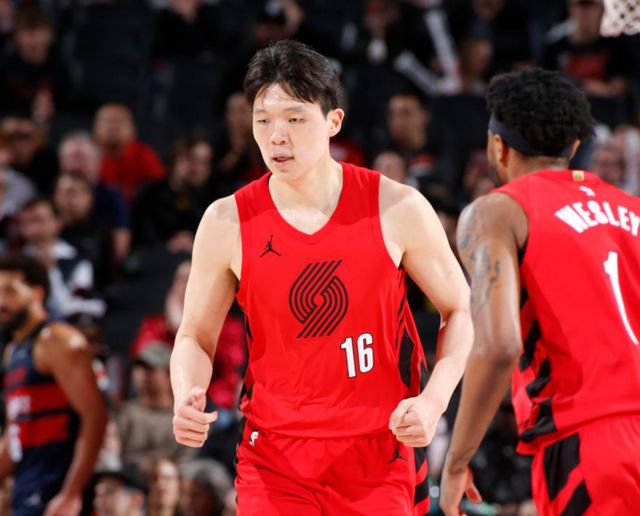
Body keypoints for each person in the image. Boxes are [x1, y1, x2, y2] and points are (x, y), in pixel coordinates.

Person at [170, 39, 472, 515]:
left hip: (377, 450)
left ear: (334, 122)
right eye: (262, 120)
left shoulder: (396, 207)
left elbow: (460, 310)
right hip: (274, 457)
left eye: (294, 119)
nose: (276, 137)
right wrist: (186, 393)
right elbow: (194, 335)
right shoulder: (225, 221)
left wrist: (434, 401)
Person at [439, 68, 640, 515]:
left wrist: (457, 461)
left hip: (590, 441)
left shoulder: (497, 212)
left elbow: (499, 345)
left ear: (498, 145)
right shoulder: (634, 209)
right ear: (575, 147)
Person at [0, 252, 108, 515]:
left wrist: (71, 494)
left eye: (9, 291)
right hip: (26, 487)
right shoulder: (13, 352)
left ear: (37, 293)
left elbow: (95, 417)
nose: (1, 301)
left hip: (55, 489)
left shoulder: (57, 340)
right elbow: (16, 432)